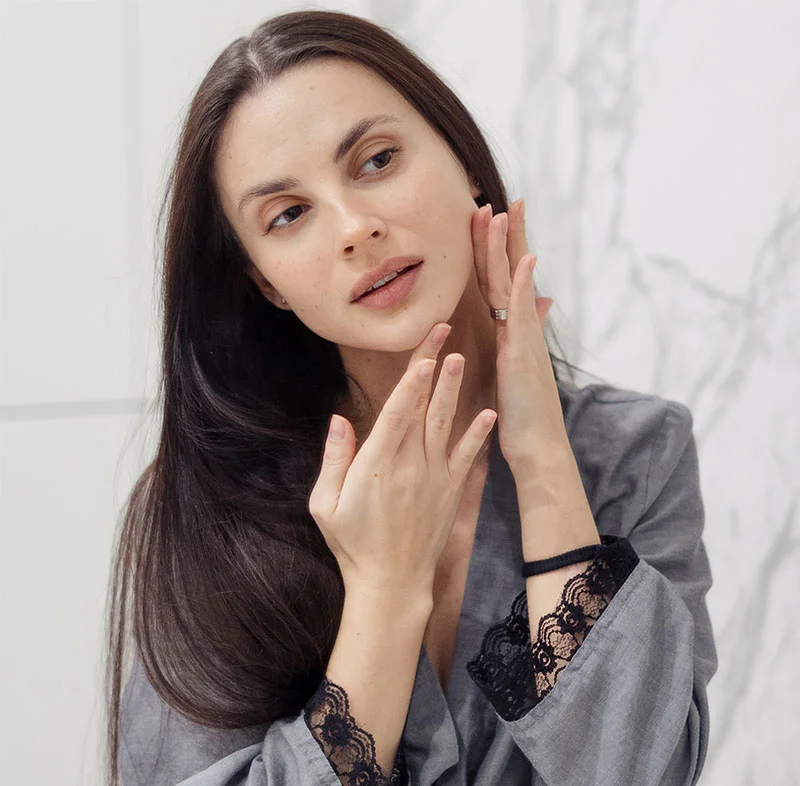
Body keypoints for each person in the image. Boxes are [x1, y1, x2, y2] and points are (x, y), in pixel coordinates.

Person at [107, 9, 717, 786]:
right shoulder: (206, 510)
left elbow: (643, 772)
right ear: (266, 281)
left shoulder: (636, 454)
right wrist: (384, 598)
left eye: (376, 160)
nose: (356, 227)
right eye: (289, 215)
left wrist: (542, 462)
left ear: (463, 160)